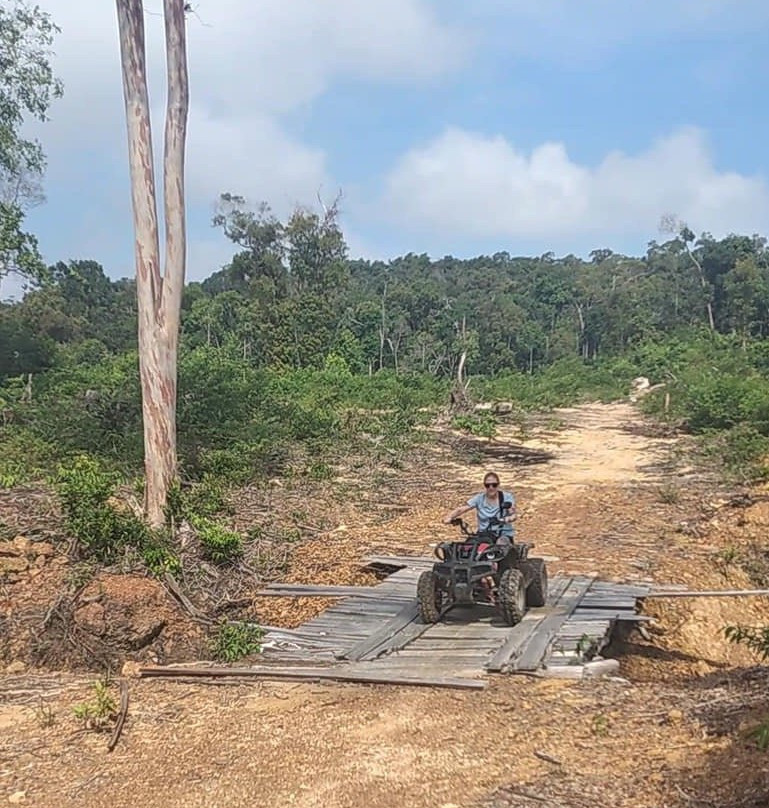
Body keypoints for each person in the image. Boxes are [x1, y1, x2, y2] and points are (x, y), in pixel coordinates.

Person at [442, 471, 517, 547]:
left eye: (494, 485)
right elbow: (462, 509)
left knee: (501, 545)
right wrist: (449, 517)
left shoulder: (506, 497)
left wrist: (506, 519)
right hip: (484, 534)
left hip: (502, 534)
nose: (491, 488)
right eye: (487, 485)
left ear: (498, 485)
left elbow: (513, 514)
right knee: (468, 546)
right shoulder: (479, 498)